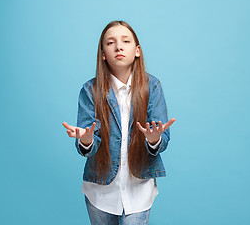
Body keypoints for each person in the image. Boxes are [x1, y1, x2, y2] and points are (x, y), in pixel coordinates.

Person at [62, 20, 176, 225]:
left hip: (139, 189)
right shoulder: (90, 91)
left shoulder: (153, 87)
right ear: (103, 54)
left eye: (125, 41)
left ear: (137, 50)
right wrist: (86, 141)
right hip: (100, 191)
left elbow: (162, 139)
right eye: (110, 43)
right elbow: (87, 144)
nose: (119, 46)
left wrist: (154, 140)